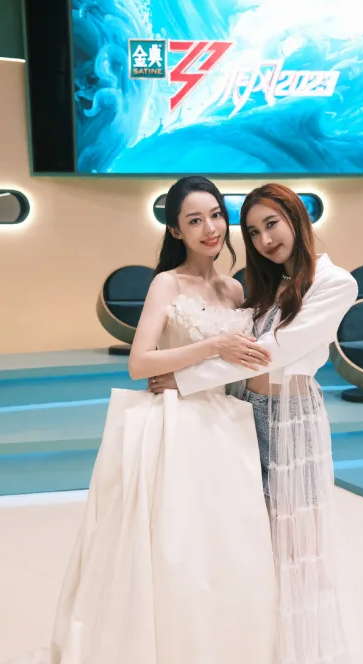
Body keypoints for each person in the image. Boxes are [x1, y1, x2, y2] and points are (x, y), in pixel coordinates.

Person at [5, 177, 277, 664]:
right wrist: (212, 346)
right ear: (175, 231)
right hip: (177, 426)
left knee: (226, 546)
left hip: (227, 425)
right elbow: (139, 362)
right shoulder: (167, 283)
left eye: (216, 215)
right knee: (176, 544)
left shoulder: (235, 288)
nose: (210, 228)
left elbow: (238, 363)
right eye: (195, 220)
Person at [150, 183, 359, 664]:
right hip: (243, 412)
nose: (265, 240)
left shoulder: (336, 282)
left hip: (290, 419)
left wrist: (185, 379)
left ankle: (301, 652)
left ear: (297, 218)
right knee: (253, 544)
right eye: (253, 232)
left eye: (272, 224)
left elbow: (273, 352)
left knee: (298, 547)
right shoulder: (270, 285)